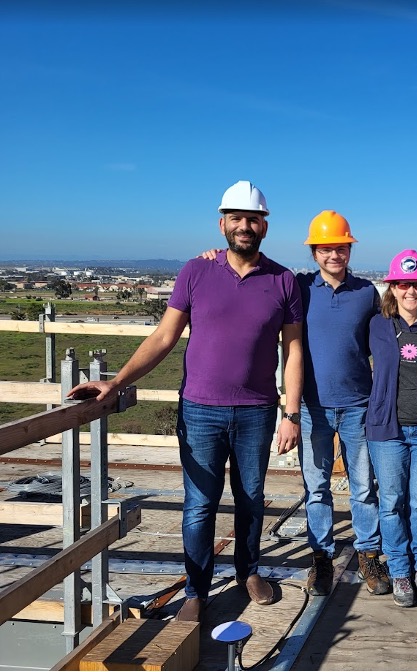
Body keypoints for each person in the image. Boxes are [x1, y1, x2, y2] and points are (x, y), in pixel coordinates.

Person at [68, 181, 304, 623]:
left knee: (251, 498)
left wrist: (291, 413)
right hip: (200, 409)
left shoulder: (283, 280)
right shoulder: (195, 272)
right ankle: (197, 590)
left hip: (256, 411)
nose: (244, 225)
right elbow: (163, 336)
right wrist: (115, 382)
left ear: (265, 227)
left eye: (253, 218)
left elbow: (293, 351)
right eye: (236, 218)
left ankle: (248, 572)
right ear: (222, 224)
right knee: (200, 505)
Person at [295, 210, 390, 596]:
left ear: (349, 249)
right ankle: (321, 557)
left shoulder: (367, 292)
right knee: (316, 487)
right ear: (315, 253)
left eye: (341, 248)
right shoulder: (299, 287)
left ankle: (368, 553)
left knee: (363, 486)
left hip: (358, 404)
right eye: (327, 249)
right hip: (311, 406)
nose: (335, 255)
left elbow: (392, 326)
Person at [366, 250, 417, 608]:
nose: (410, 291)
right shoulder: (375, 325)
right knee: (391, 502)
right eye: (404, 284)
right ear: (393, 288)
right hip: (387, 430)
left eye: (416, 284)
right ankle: (398, 569)